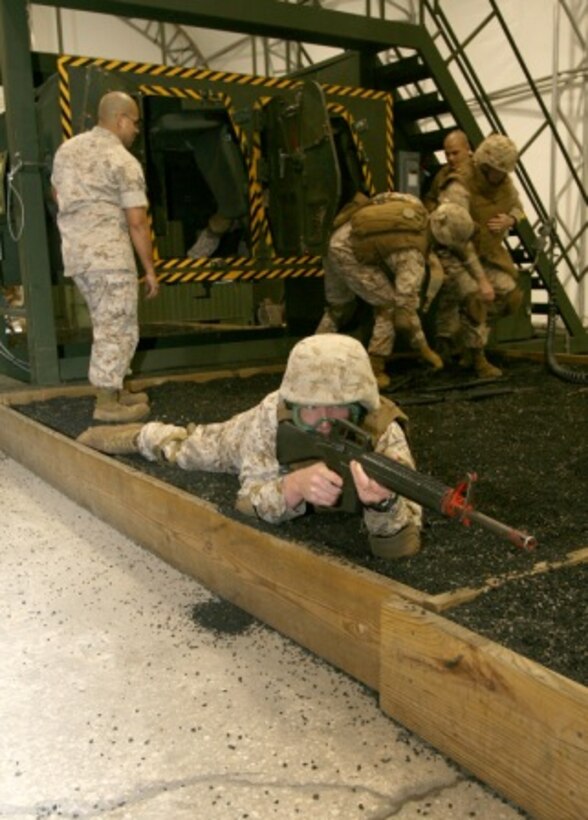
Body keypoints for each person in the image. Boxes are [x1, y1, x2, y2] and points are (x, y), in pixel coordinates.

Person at [77, 334, 423, 560]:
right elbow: (248, 501)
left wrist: (383, 503)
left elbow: (400, 544)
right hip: (244, 439)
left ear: (361, 404)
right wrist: (291, 488)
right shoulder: (273, 416)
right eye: (311, 408)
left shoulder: (383, 432)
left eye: (340, 408)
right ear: (294, 402)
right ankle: (138, 436)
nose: (326, 421)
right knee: (186, 449)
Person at [51, 90, 160, 422]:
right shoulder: (123, 161)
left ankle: (118, 387)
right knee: (118, 326)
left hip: (78, 255)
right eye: (135, 123)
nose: (137, 131)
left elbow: (57, 194)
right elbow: (137, 222)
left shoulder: (68, 149)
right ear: (121, 120)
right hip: (110, 257)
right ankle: (106, 402)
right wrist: (150, 270)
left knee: (109, 321)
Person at [315, 191, 443, 390]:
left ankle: (310, 358)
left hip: (336, 238)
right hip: (349, 253)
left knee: (338, 308)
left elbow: (377, 199)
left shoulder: (413, 204)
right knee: (388, 308)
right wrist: (424, 348)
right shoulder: (413, 257)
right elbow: (404, 310)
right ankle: (375, 369)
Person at [432, 133, 526, 378]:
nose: (504, 175)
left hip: (487, 251)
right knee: (476, 296)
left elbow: (517, 207)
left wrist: (511, 219)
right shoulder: (459, 185)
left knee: (510, 295)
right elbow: (458, 239)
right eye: (499, 170)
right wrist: (482, 281)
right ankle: (476, 357)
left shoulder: (504, 182)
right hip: (454, 252)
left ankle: (468, 334)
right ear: (485, 166)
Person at [423, 129, 472, 213]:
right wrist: (437, 210)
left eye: (455, 153)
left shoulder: (479, 170)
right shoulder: (442, 174)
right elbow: (429, 199)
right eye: (447, 154)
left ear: (467, 149)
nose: (451, 158)